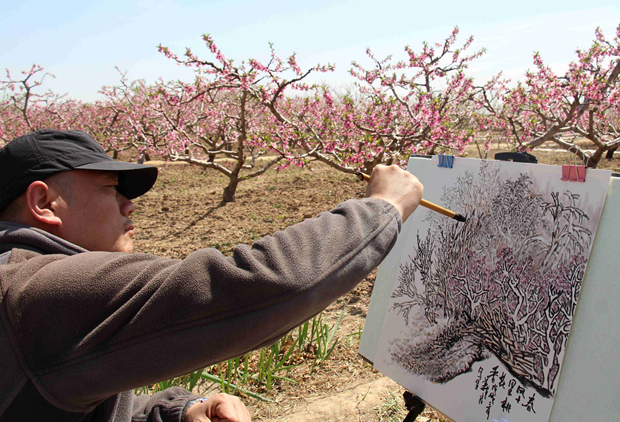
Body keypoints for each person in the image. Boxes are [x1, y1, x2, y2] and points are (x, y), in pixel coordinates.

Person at [0, 129, 424, 421]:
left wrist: (175, 411)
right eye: (113, 189)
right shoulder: (40, 291)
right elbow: (249, 285)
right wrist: (381, 209)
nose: (130, 206)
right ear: (44, 202)